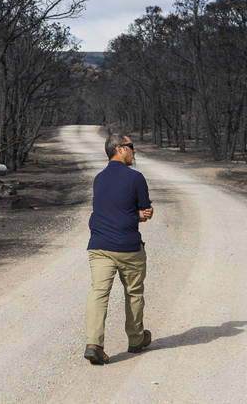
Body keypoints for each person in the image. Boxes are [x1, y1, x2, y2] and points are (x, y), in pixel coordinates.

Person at [83, 133, 154, 365]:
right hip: (127, 246)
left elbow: (110, 209)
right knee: (133, 292)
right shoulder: (136, 178)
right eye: (132, 147)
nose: (135, 151)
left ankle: (94, 344)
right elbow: (145, 210)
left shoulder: (99, 179)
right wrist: (140, 216)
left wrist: (133, 214)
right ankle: (135, 340)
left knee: (99, 293)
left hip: (99, 245)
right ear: (120, 149)